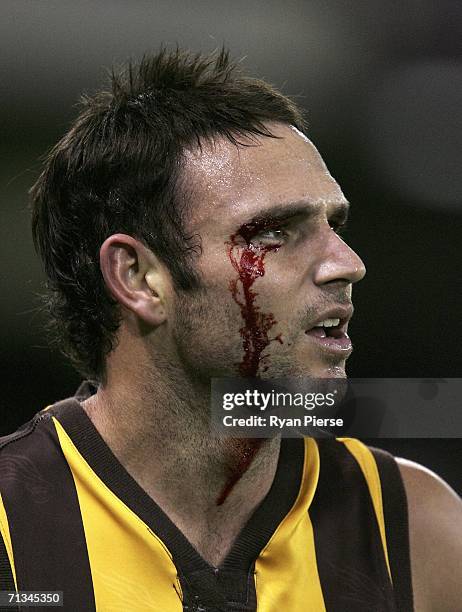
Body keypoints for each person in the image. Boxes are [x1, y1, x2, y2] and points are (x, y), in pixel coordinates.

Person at [0, 48, 460, 612]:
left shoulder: (414, 528)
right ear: (140, 278)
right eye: (272, 233)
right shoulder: (10, 523)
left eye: (332, 224)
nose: (347, 263)